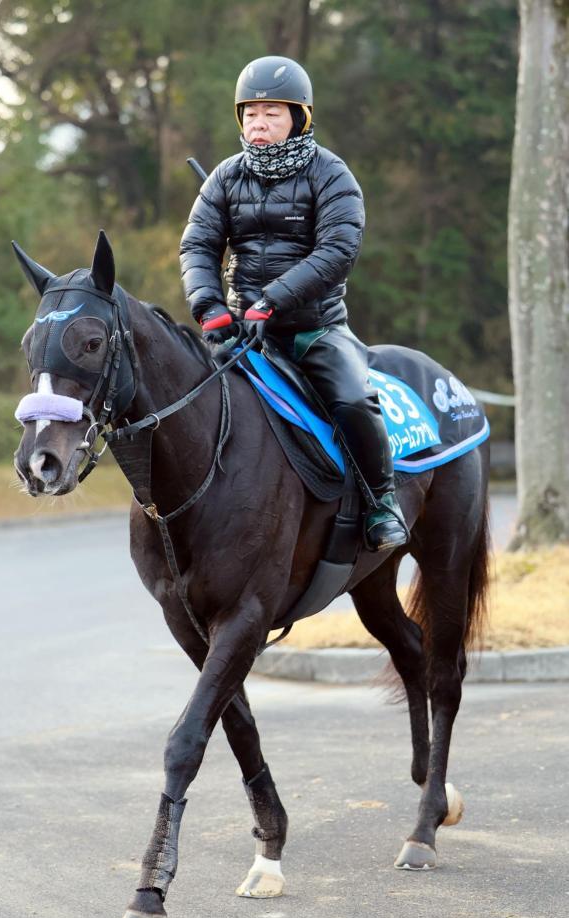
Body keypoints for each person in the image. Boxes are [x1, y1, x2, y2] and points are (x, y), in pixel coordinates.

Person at [179, 55, 408, 551]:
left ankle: (381, 502)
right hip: (241, 333)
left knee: (351, 400)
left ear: (299, 118)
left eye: (272, 113)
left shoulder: (332, 175)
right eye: (251, 114)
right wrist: (209, 306)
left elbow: (337, 251)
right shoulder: (222, 178)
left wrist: (273, 301)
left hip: (314, 330)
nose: (259, 124)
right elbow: (197, 247)